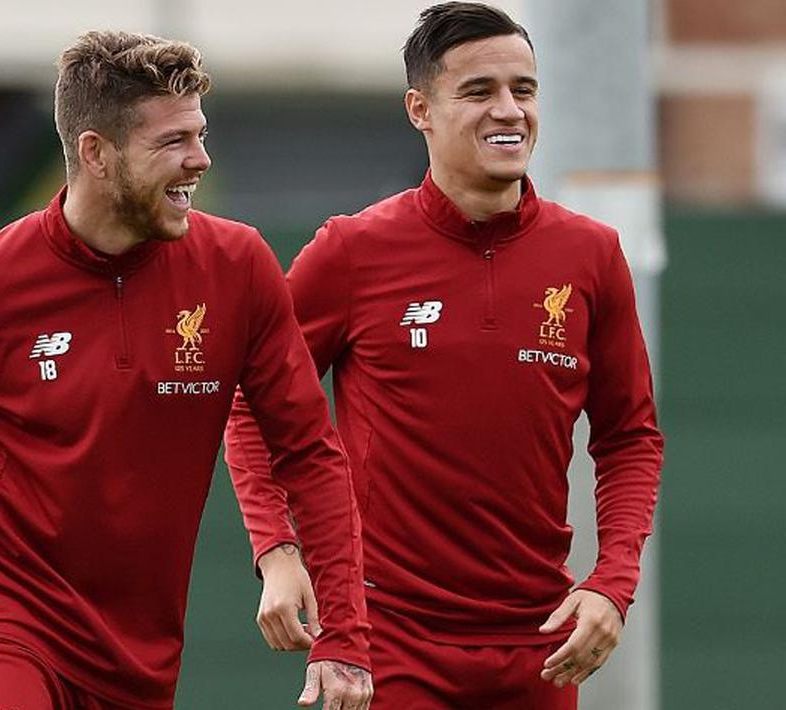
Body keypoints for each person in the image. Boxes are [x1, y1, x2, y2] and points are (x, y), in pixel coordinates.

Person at [0, 30, 373, 710]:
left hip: (138, 654)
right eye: (172, 141)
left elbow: (308, 454)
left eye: (199, 135)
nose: (199, 159)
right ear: (95, 153)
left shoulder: (239, 267)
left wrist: (343, 634)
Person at [223, 3, 663, 708]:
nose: (509, 110)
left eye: (523, 89)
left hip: (539, 646)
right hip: (387, 640)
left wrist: (612, 583)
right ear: (419, 110)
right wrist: (276, 550)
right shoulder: (352, 250)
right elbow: (253, 400)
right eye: (479, 91)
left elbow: (629, 437)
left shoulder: (591, 255)